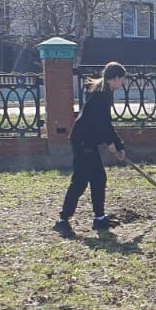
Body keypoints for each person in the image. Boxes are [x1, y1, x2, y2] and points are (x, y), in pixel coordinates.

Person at [54, 62, 127, 238]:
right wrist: (109, 142)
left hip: (88, 141)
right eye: (122, 80)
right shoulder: (101, 95)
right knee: (80, 180)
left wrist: (119, 145)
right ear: (115, 78)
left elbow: (106, 122)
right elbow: (97, 123)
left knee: (98, 178)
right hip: (82, 141)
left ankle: (100, 218)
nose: (122, 84)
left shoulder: (104, 92)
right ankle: (62, 220)